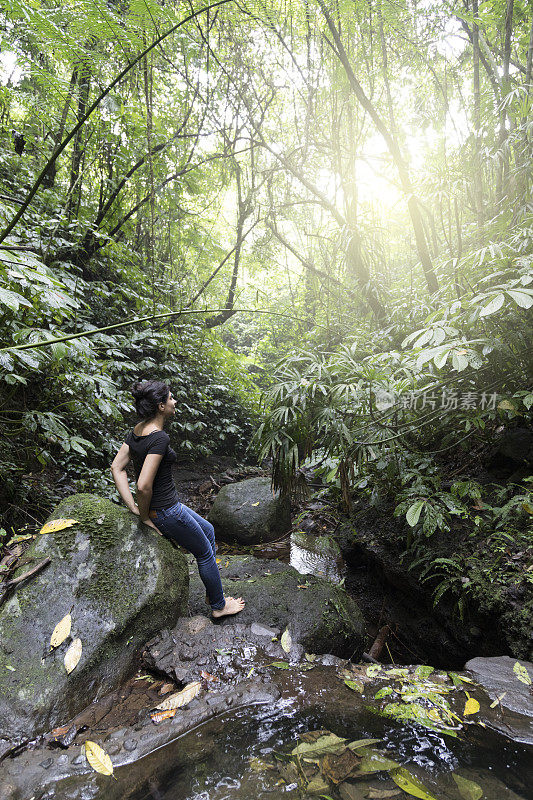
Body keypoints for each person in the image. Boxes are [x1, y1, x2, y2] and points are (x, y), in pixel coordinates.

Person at [111, 379, 245, 618]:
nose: (175, 401)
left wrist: (131, 505)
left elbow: (117, 468)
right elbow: (143, 486)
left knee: (210, 531)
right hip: (165, 511)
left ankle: (211, 590)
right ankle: (218, 606)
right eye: (171, 397)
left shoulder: (138, 430)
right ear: (161, 406)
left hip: (167, 507)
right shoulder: (159, 438)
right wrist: (142, 515)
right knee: (204, 552)